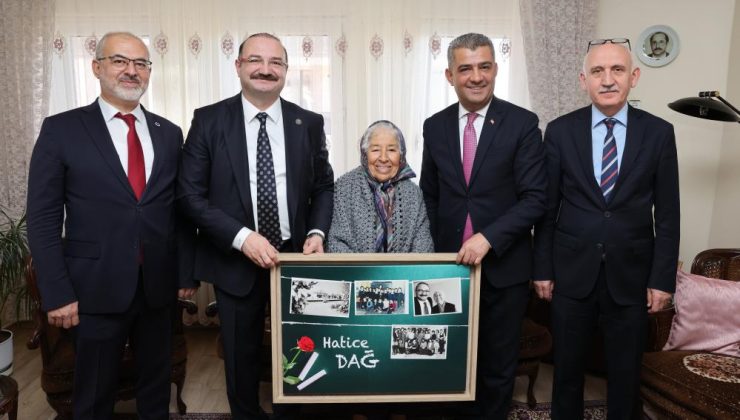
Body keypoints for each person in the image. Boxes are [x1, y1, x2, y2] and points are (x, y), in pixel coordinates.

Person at [26, 31, 196, 419]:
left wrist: (185, 273)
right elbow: (43, 218)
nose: (131, 71)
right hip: (93, 288)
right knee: (93, 396)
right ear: (97, 67)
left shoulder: (168, 133)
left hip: (157, 288)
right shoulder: (61, 130)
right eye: (120, 60)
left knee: (156, 392)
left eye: (141, 63)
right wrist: (56, 292)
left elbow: (180, 211)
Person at [177, 32, 334, 419]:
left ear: (285, 70)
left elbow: (323, 186)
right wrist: (243, 238)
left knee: (299, 350)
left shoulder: (308, 122)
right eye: (255, 60)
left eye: (275, 62)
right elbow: (189, 196)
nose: (266, 69)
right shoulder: (209, 120)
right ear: (238, 66)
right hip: (234, 260)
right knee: (240, 355)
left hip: (295, 260)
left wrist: (316, 232)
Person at [533, 39, 680, 419]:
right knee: (567, 371)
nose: (608, 79)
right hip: (571, 273)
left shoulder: (660, 133)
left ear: (634, 76)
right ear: (584, 80)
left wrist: (662, 280)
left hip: (632, 276)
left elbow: (668, 215)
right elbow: (547, 210)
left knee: (626, 375)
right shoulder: (560, 131)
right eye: (597, 71)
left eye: (617, 70)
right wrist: (542, 268)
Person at [420, 32, 547, 419]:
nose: (476, 77)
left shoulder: (522, 123)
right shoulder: (435, 126)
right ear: (450, 75)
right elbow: (430, 195)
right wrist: (428, 257)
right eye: (465, 69)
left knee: (496, 366)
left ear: (495, 69)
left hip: (504, 268)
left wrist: (488, 238)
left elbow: (535, 198)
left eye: (484, 67)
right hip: (447, 270)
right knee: (445, 357)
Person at [327, 120, 434, 253]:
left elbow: (423, 246)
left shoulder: (414, 194)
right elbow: (336, 242)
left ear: (401, 155)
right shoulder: (344, 188)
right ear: (365, 153)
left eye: (391, 150)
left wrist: (400, 267)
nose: (383, 158)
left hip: (404, 268)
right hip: (354, 267)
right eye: (376, 150)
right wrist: (362, 266)